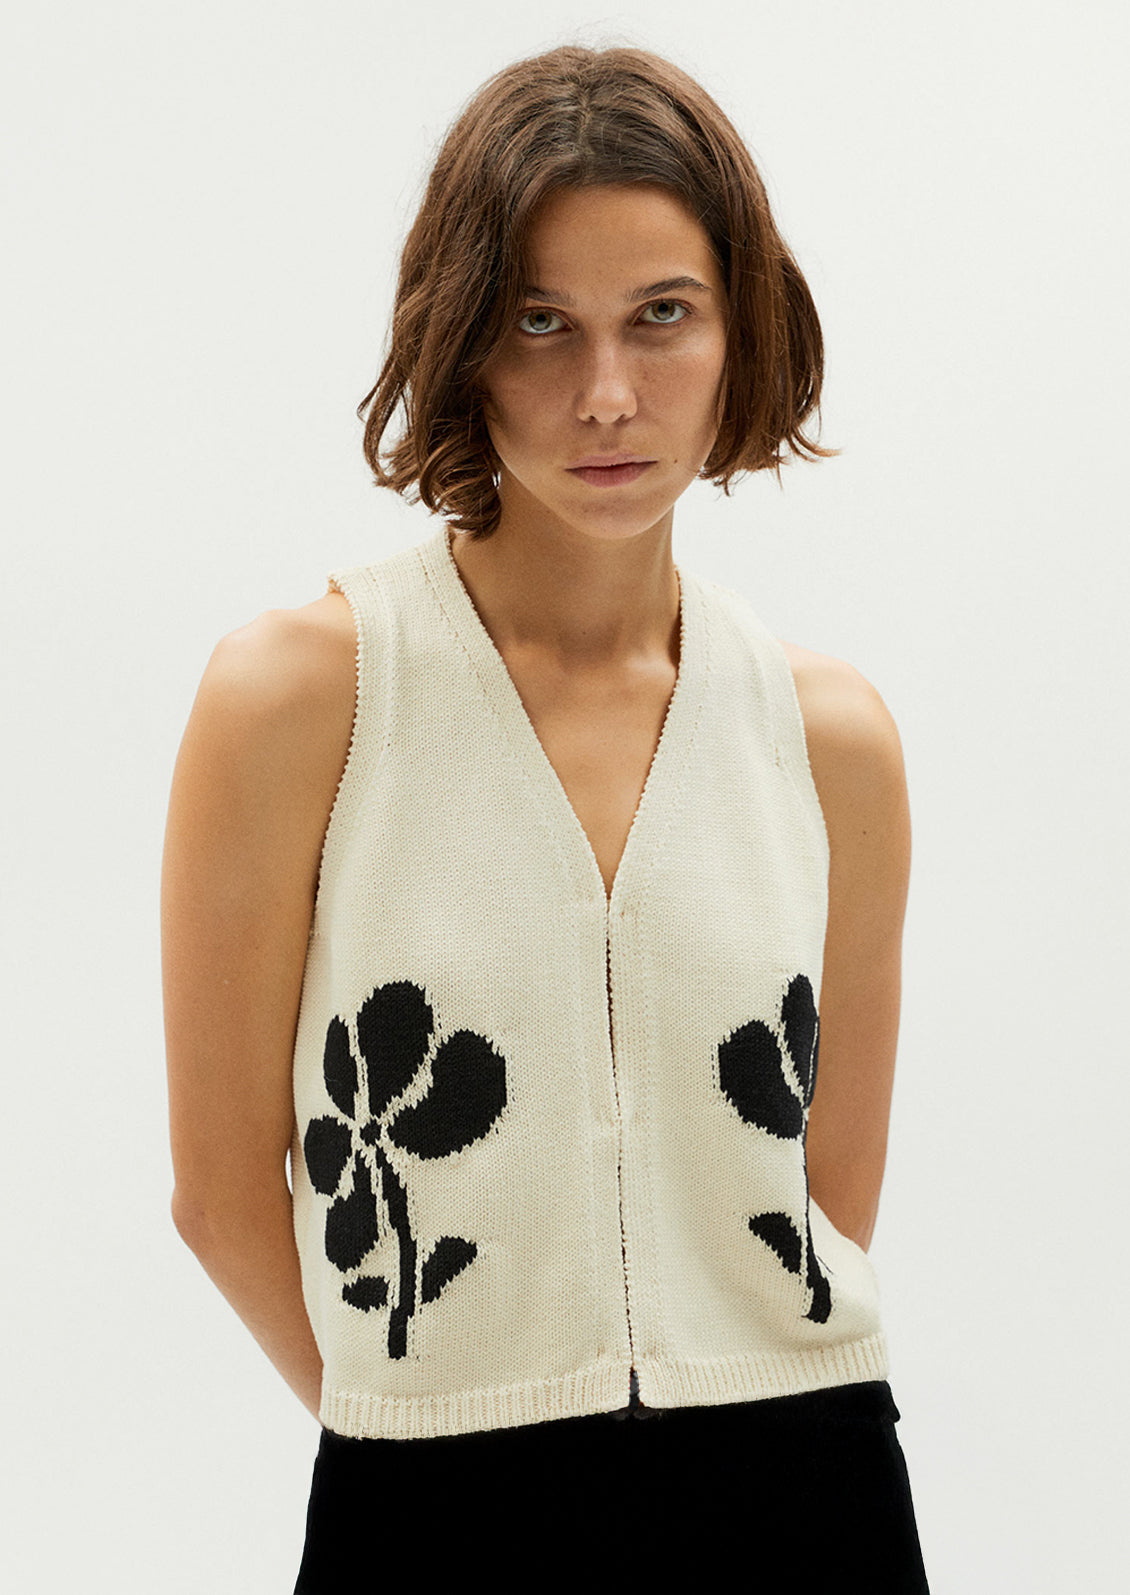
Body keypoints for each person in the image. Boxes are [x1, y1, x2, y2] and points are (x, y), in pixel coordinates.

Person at [161, 42, 931, 1594]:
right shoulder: (301, 699)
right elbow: (223, 1190)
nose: (606, 395)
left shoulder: (824, 736)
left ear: (740, 328)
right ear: (458, 339)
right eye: (537, 323)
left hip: (806, 1491)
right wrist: (416, 1425)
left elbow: (822, 1194)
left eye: (662, 315)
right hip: (433, 1499)